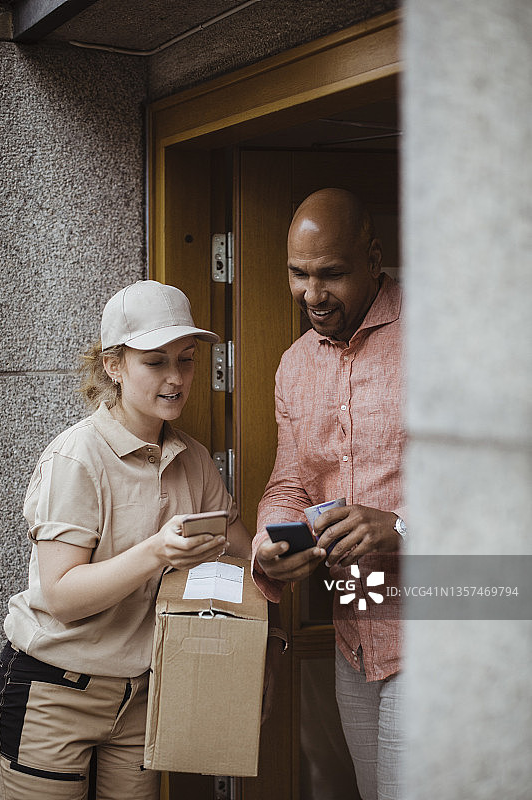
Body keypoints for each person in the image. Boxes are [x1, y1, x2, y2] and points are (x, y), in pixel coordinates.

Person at [0, 280, 252, 800]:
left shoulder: (194, 458)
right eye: (155, 362)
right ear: (114, 366)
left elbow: (243, 551)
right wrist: (157, 550)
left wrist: (282, 550)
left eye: (186, 360)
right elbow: (63, 597)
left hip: (144, 694)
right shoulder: (76, 458)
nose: (177, 378)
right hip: (55, 689)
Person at [252, 189, 407, 800]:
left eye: (331, 274)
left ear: (373, 259)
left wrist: (399, 524)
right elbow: (288, 486)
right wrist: (272, 543)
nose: (312, 295)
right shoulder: (294, 365)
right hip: (354, 633)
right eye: (299, 273)